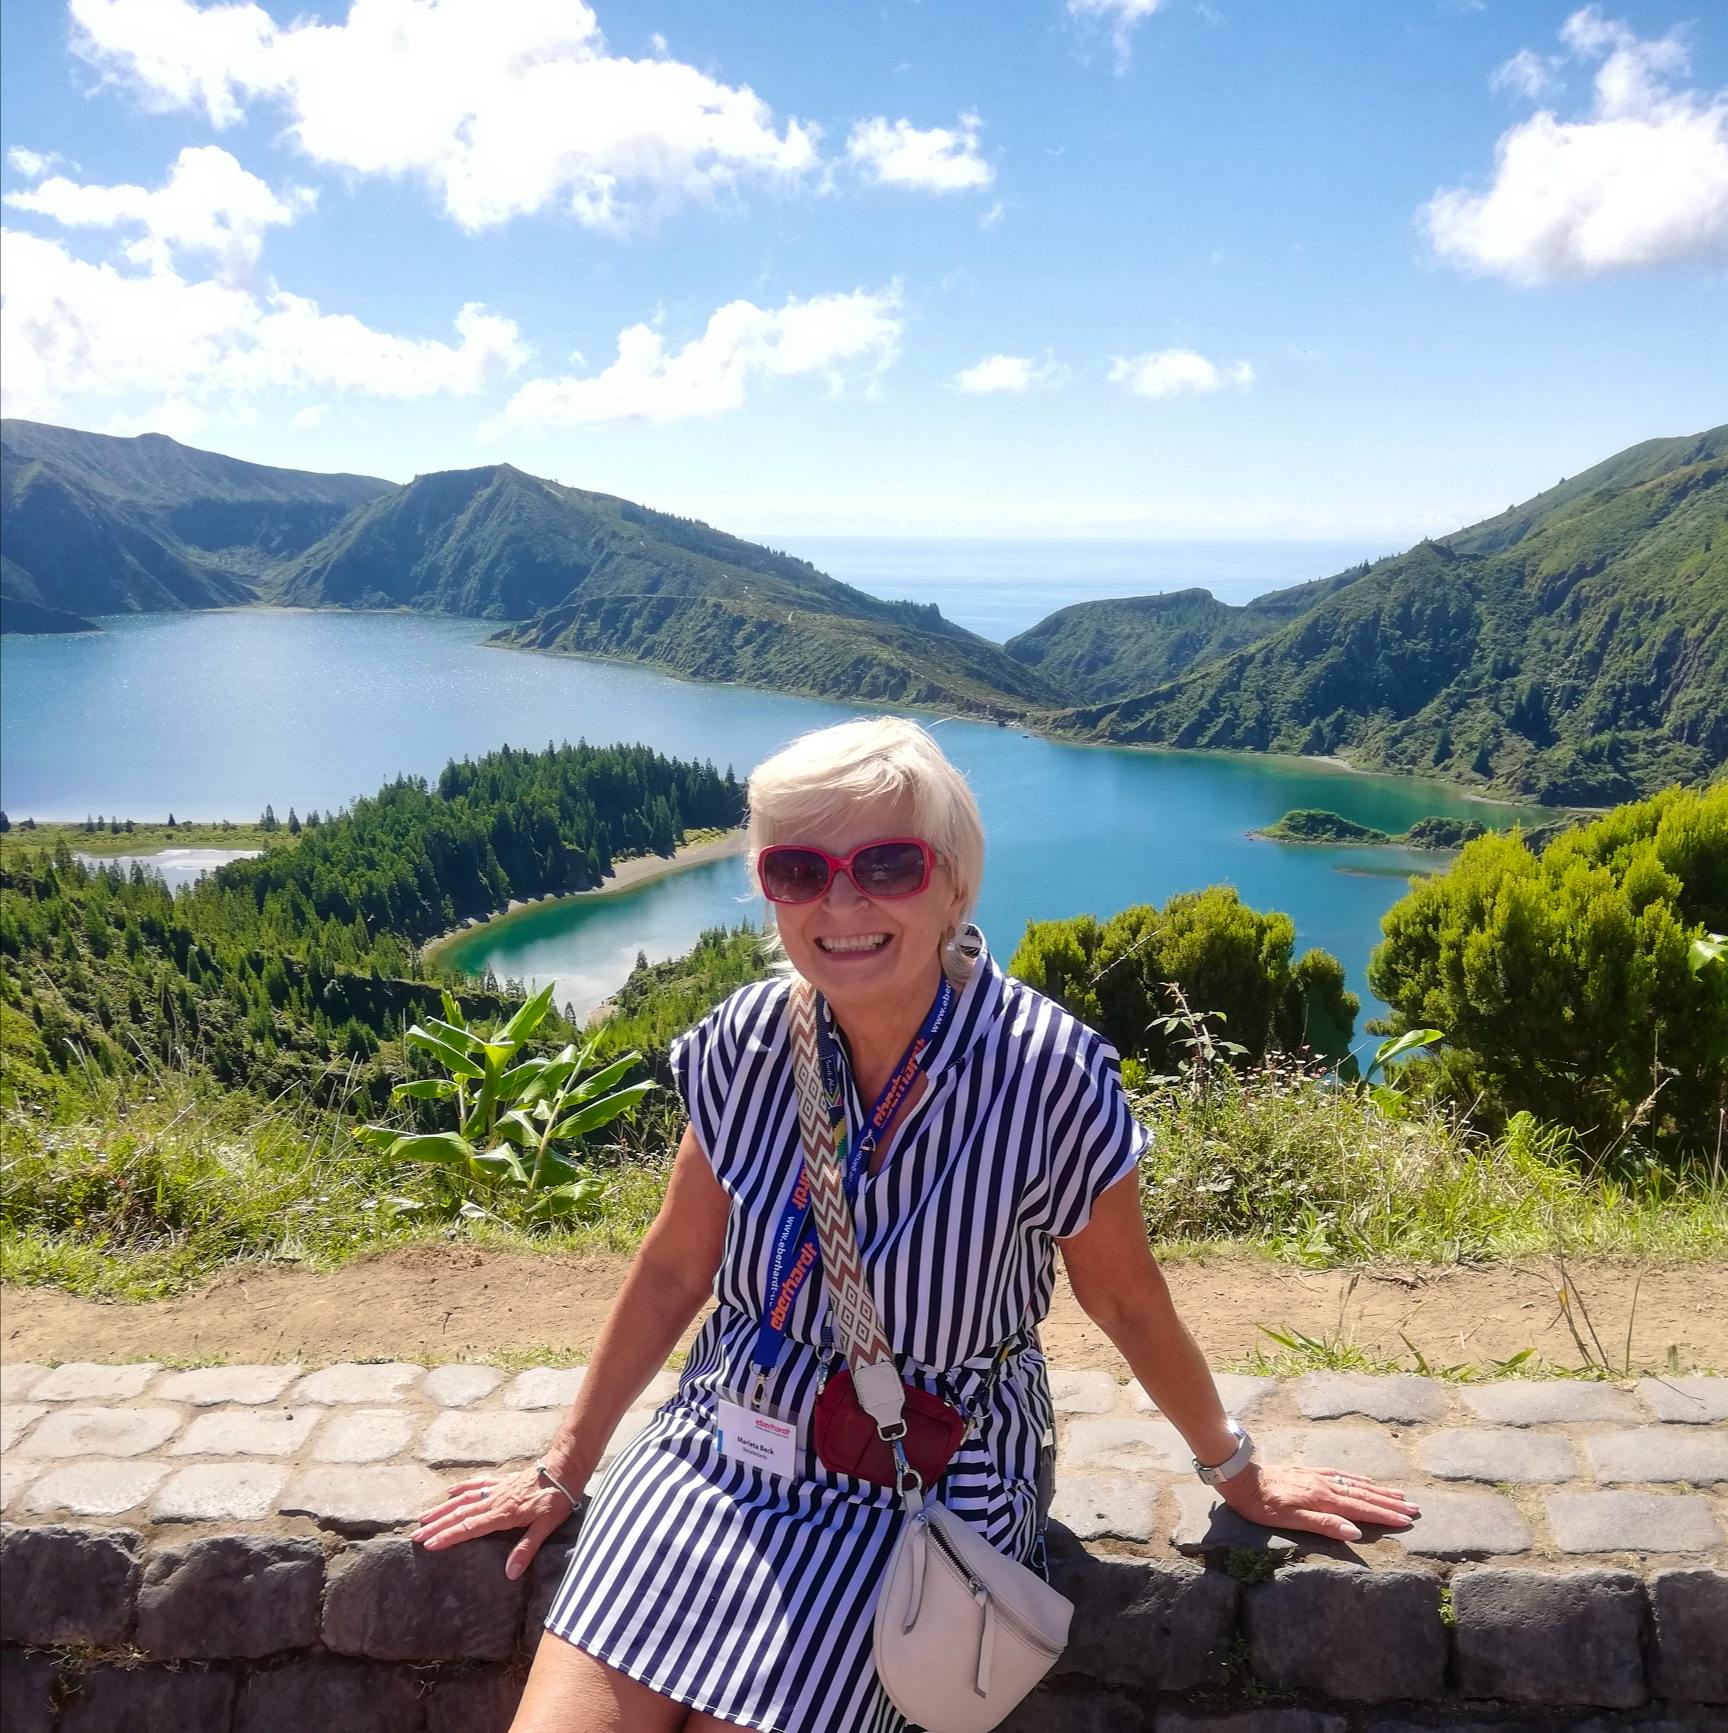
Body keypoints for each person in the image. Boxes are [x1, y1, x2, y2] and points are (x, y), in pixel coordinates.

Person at [413, 716, 1419, 1733]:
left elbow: (1124, 1296)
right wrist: (564, 1466)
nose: (840, 902)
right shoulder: (743, 1043)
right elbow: (677, 1265)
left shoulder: (1046, 1072)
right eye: (797, 868)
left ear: (954, 882)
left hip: (924, 1467)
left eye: (885, 863)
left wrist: (1235, 1468)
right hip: (722, 1445)